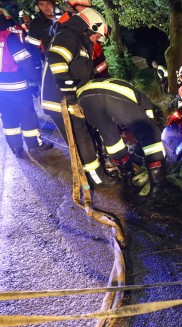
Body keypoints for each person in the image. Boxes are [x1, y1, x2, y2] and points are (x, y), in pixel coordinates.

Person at [46, 7, 114, 187]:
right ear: (89, 28)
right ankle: (96, 178)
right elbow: (56, 60)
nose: (97, 39)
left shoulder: (81, 42)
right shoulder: (69, 36)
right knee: (81, 138)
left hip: (71, 100)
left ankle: (96, 170)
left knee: (88, 132)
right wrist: (71, 98)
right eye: (97, 35)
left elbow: (82, 73)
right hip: (61, 101)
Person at [77, 77, 168, 196]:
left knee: (111, 138)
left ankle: (127, 178)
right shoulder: (145, 102)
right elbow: (149, 127)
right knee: (150, 136)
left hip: (84, 96)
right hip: (114, 93)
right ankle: (158, 187)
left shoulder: (128, 93)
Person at [0, 14, 52, 157]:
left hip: (1, 89)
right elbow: (25, 62)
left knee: (8, 118)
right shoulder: (9, 37)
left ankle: (16, 148)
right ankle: (34, 146)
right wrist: (37, 80)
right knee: (27, 115)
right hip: (17, 85)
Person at [26, 0, 61, 64]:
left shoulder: (62, 18)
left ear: (53, 4)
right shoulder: (35, 24)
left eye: (48, 3)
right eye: (42, 4)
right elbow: (32, 44)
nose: (46, 7)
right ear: (38, 7)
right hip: (50, 61)